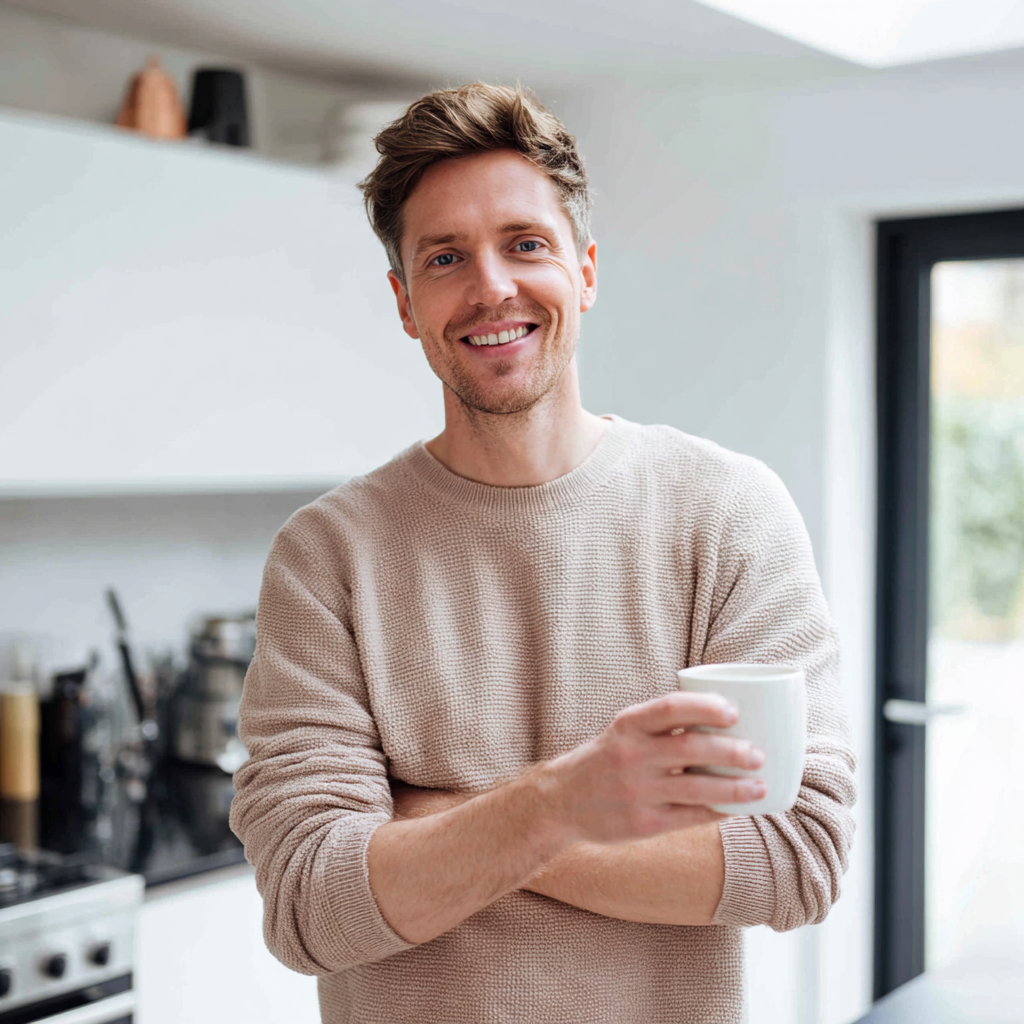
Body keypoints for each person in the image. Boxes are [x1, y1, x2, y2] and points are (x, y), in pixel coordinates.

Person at [230, 82, 856, 1024]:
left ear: (587, 271)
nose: (491, 288)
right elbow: (315, 904)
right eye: (445, 258)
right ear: (404, 302)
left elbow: (795, 859)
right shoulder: (329, 557)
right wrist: (563, 802)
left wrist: (444, 824)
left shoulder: (726, 513)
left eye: (525, 244)